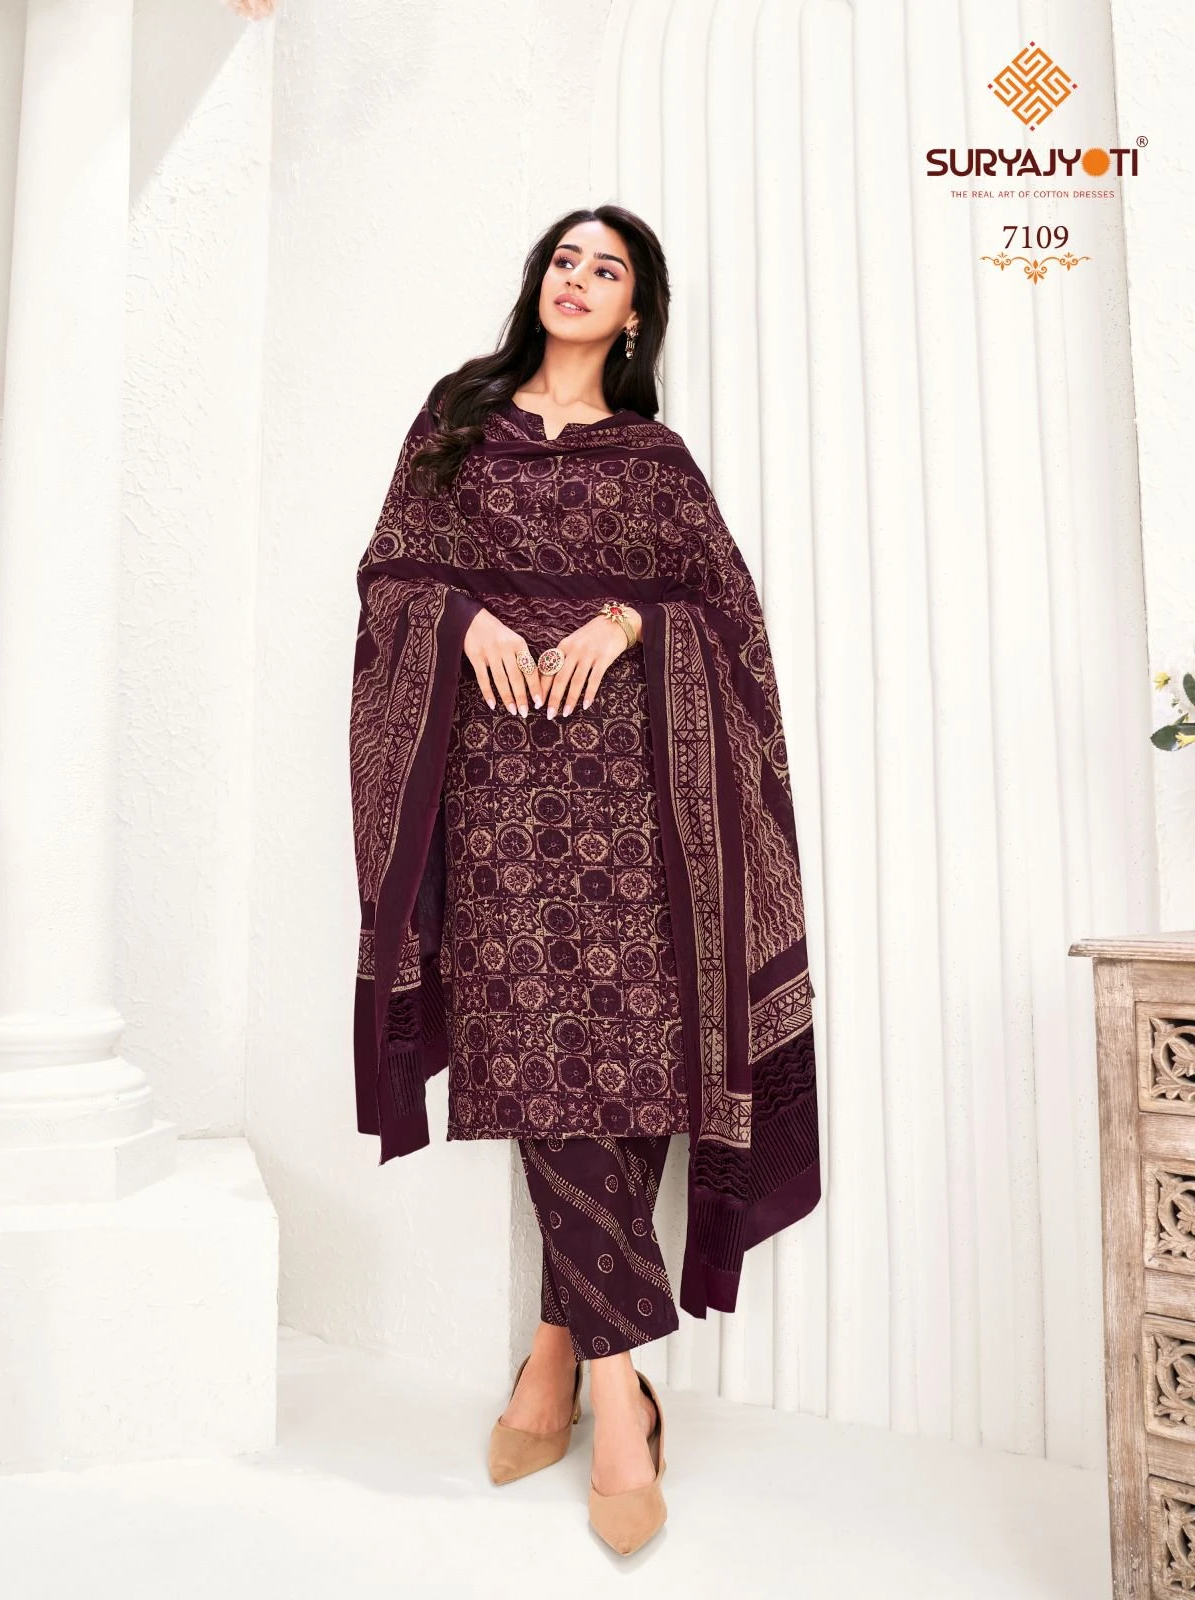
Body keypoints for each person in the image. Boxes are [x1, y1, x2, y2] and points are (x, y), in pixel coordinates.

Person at [348, 203, 820, 1555]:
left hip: (637, 806)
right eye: (565, 259)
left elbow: (727, 614)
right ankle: (625, 1397)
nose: (578, 279)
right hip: (497, 799)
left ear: (635, 312)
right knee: (539, 1057)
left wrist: (623, 623)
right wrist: (463, 617)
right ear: (539, 283)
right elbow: (386, 576)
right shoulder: (458, 419)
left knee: (628, 1061)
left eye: (606, 269)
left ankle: (561, 1364)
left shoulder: (653, 460)